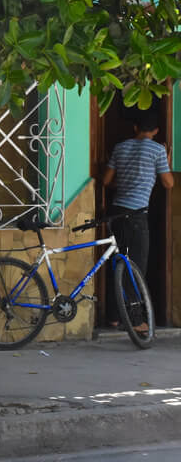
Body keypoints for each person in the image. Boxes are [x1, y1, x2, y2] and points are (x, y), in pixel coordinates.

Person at [102, 118, 174, 328]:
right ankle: (135, 321)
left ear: (135, 128)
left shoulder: (120, 148)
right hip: (136, 216)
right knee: (136, 267)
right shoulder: (157, 151)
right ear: (156, 130)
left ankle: (114, 317)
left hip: (116, 213)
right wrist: (166, 162)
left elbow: (106, 181)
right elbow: (169, 183)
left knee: (116, 262)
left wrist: (125, 181)